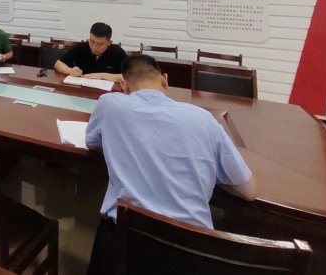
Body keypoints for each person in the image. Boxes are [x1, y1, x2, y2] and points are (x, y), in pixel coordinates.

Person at [85, 55, 256, 274]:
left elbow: (92, 142)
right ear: (165, 80)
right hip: (190, 251)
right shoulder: (203, 119)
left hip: (122, 242)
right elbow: (248, 190)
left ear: (124, 86)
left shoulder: (109, 104)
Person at [54, 22, 126, 82]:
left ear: (109, 42)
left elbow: (129, 76)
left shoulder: (117, 52)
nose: (94, 47)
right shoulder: (82, 48)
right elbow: (58, 64)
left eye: (100, 44)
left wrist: (101, 76)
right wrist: (70, 71)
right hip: (83, 89)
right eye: (92, 42)